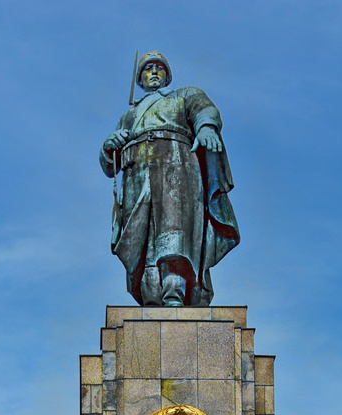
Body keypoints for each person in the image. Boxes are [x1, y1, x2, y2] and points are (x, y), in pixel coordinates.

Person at [100, 53, 239, 306]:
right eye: (147, 70)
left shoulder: (183, 95)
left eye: (159, 69)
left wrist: (206, 126)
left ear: (167, 77)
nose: (153, 72)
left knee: (173, 230)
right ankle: (151, 294)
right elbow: (110, 165)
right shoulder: (128, 117)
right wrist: (109, 148)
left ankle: (174, 290)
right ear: (140, 79)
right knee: (144, 238)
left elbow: (204, 110)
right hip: (137, 174)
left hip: (176, 166)